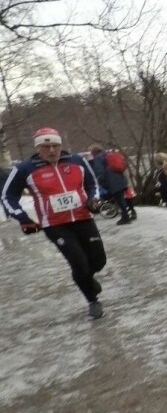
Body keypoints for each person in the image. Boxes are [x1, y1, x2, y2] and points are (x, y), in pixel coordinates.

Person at [2, 127, 107, 319]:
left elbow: (93, 184)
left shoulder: (78, 161)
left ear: (61, 145)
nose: (52, 150)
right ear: (38, 148)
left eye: (55, 146)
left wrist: (93, 199)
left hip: (83, 218)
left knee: (99, 261)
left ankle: (86, 279)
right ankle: (93, 300)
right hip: (55, 225)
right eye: (46, 146)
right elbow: (8, 196)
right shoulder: (25, 169)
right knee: (79, 264)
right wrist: (23, 218)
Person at [88, 144, 134, 225]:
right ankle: (131, 213)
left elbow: (99, 172)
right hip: (120, 179)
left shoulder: (98, 158)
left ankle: (126, 217)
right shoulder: (107, 155)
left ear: (94, 151)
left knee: (119, 200)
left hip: (112, 181)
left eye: (91, 152)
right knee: (122, 198)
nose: (91, 154)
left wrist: (101, 182)